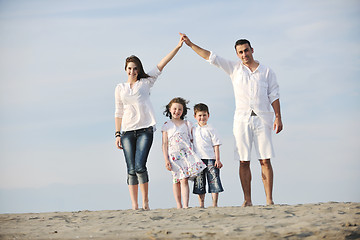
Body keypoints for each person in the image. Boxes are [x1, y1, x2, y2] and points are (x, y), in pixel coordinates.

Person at [180, 33, 283, 206]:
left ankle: (269, 199)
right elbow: (210, 57)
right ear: (237, 54)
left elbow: (274, 95)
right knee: (244, 160)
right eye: (241, 52)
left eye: (246, 51)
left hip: (262, 119)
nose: (244, 55)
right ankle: (247, 200)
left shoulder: (266, 71)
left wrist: (278, 117)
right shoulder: (234, 68)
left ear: (252, 50)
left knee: (265, 159)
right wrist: (191, 44)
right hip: (242, 121)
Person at [114, 36, 184, 210]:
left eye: (135, 68)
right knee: (130, 169)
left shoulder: (146, 82)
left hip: (145, 130)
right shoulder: (120, 88)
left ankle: (145, 202)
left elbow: (162, 63)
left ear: (139, 70)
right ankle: (135, 205)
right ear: (125, 69)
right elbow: (118, 112)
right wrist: (117, 134)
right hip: (127, 132)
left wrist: (178, 46)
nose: (132, 71)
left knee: (140, 166)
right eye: (129, 68)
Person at [161, 97, 207, 209]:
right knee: (176, 180)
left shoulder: (187, 124)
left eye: (180, 109)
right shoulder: (167, 125)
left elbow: (195, 139)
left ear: (183, 111)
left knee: (184, 179)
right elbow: (164, 144)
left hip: (186, 155)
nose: (177, 111)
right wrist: (166, 159)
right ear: (170, 109)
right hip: (173, 157)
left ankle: (186, 205)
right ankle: (179, 204)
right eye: (175, 109)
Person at [192, 103, 224, 208]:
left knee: (214, 180)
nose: (202, 118)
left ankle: (214, 203)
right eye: (199, 115)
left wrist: (217, 159)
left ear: (208, 115)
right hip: (198, 160)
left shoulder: (211, 129)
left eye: (204, 115)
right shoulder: (193, 129)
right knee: (200, 182)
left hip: (211, 159)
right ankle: (201, 204)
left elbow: (216, 145)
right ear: (195, 116)